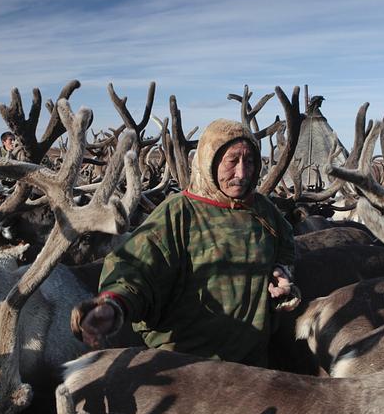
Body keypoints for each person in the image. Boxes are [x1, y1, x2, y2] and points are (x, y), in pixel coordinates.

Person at [71, 119, 299, 367]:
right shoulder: (179, 212)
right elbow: (136, 268)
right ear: (209, 161)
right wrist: (113, 305)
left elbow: (286, 244)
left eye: (250, 161)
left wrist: (281, 270)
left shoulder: (263, 210)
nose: (242, 173)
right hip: (187, 367)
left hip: (252, 367)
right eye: (232, 161)